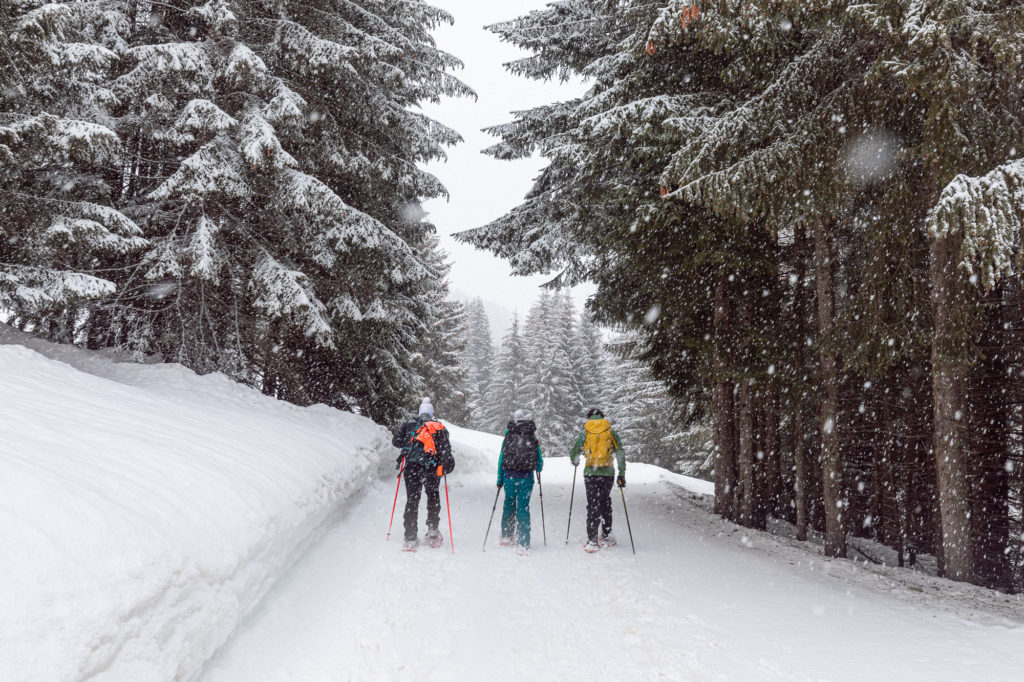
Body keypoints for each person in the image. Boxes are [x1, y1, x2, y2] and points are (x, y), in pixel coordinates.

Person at [392, 397, 455, 551]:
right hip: (432, 469)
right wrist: (444, 467)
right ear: (432, 413)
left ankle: (410, 537)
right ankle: (433, 533)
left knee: (412, 500)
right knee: (433, 497)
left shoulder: (409, 424)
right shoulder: (439, 427)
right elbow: (446, 452)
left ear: (419, 412)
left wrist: (409, 440)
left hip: (412, 468)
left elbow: (396, 442)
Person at [569, 407, 626, 553]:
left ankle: (592, 540)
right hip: (607, 473)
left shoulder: (586, 432)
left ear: (589, 418)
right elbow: (619, 451)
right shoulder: (609, 431)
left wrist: (575, 461)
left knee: (593, 504)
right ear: (602, 417)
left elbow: (575, 451)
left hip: (590, 473)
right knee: (605, 502)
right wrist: (621, 473)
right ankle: (606, 535)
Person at [497, 409, 543, 554]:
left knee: (509, 503)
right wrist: (537, 469)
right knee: (523, 507)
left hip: (509, 476)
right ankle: (523, 541)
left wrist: (500, 478)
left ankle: (507, 536)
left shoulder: (508, 435)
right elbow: (539, 462)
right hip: (526, 477)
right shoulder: (531, 436)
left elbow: (501, 460)